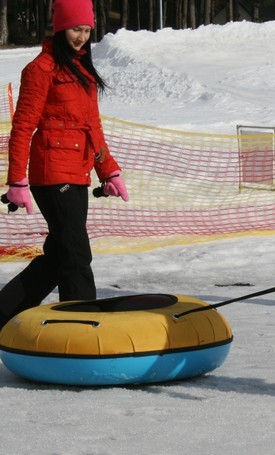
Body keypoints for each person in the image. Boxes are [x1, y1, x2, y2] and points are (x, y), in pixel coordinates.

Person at [0, 0, 128, 329]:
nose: (81, 37)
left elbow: (92, 127)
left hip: (77, 172)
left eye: (86, 30)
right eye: (75, 29)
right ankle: (81, 324)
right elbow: (23, 127)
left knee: (59, 256)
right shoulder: (40, 69)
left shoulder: (81, 70)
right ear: (60, 28)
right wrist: (17, 181)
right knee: (75, 252)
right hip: (52, 173)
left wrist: (108, 170)